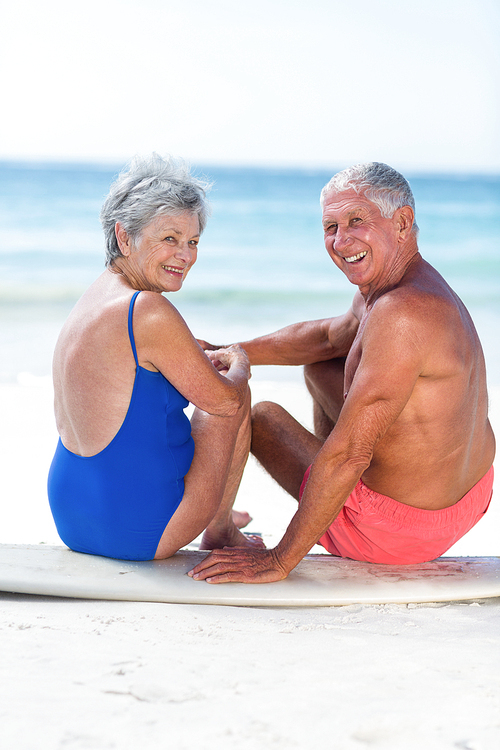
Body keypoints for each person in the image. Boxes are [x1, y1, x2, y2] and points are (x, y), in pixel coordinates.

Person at [189, 162, 496, 584]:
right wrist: (233, 350)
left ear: (402, 221)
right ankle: (326, 494)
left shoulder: (402, 315)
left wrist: (280, 560)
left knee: (261, 418)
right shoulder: (409, 287)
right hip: (465, 498)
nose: (341, 240)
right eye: (330, 227)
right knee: (322, 367)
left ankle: (220, 530)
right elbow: (326, 338)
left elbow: (350, 453)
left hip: (396, 534)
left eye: (356, 221)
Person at [48, 154, 264, 561]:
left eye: (193, 241)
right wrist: (239, 366)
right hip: (135, 531)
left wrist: (187, 359)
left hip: (72, 517)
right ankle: (219, 529)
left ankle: (220, 516)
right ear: (124, 237)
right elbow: (224, 403)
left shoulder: (97, 296)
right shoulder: (147, 310)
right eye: (169, 238)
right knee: (233, 395)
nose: (186, 255)